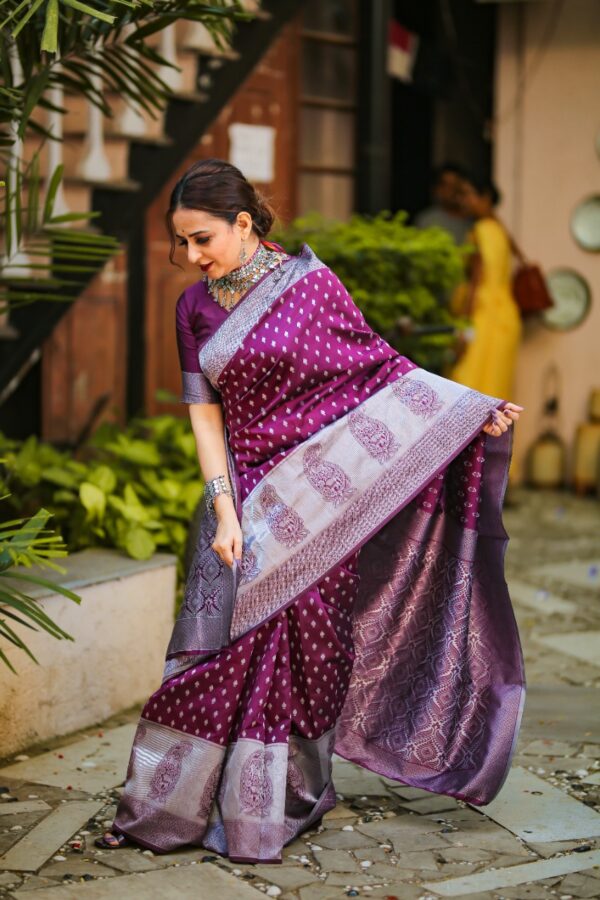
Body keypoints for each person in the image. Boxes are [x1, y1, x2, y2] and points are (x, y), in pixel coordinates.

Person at [96, 159, 524, 863]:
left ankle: (285, 800)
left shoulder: (313, 287)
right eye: (182, 244)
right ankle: (171, 802)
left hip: (322, 500)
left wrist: (471, 411)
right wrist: (224, 512)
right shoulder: (193, 307)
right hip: (242, 501)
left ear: (243, 224)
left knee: (314, 652)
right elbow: (205, 418)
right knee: (212, 657)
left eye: (202, 239)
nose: (192, 257)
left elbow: (381, 371)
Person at [450, 175, 522, 400]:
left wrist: (464, 328)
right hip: (506, 318)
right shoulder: (499, 229)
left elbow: (475, 284)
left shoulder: (480, 231)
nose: (463, 200)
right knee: (494, 387)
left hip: (482, 316)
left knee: (465, 384)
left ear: (486, 197)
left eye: (468, 194)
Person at [414, 162, 472, 245]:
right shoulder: (427, 220)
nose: (453, 190)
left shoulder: (473, 220)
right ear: (437, 189)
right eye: (447, 185)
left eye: (456, 185)